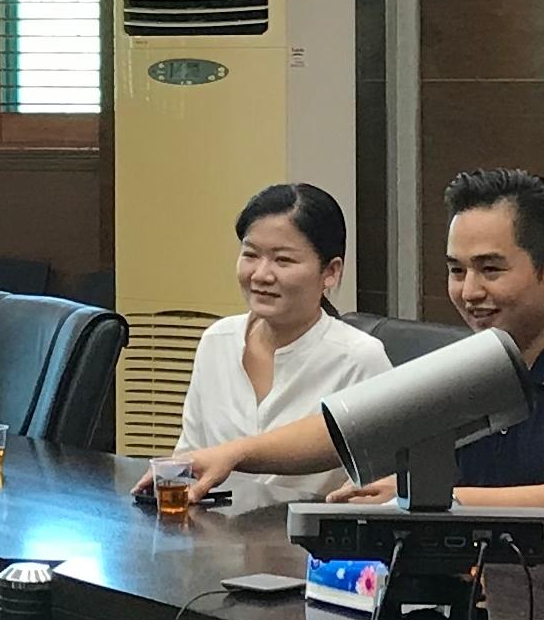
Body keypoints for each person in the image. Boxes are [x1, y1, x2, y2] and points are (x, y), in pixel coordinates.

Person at [175, 166, 544, 561]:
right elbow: (345, 430)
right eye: (456, 270)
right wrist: (237, 453)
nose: (469, 291)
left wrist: (420, 503)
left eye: (490, 269)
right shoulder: (473, 362)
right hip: (490, 590)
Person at [148, 182, 393, 506]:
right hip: (216, 532)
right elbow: (192, 458)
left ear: (331, 272)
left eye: (283, 260)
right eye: (250, 255)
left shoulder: (360, 358)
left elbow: (383, 486)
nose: (261, 274)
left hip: (309, 535)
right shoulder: (217, 341)